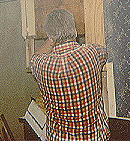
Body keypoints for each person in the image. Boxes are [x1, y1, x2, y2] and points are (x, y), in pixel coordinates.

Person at [30, 9, 110, 140]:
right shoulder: (91, 53)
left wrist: (51, 39)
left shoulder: (41, 65)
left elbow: (35, 57)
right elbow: (104, 52)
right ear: (75, 32)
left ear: (50, 38)